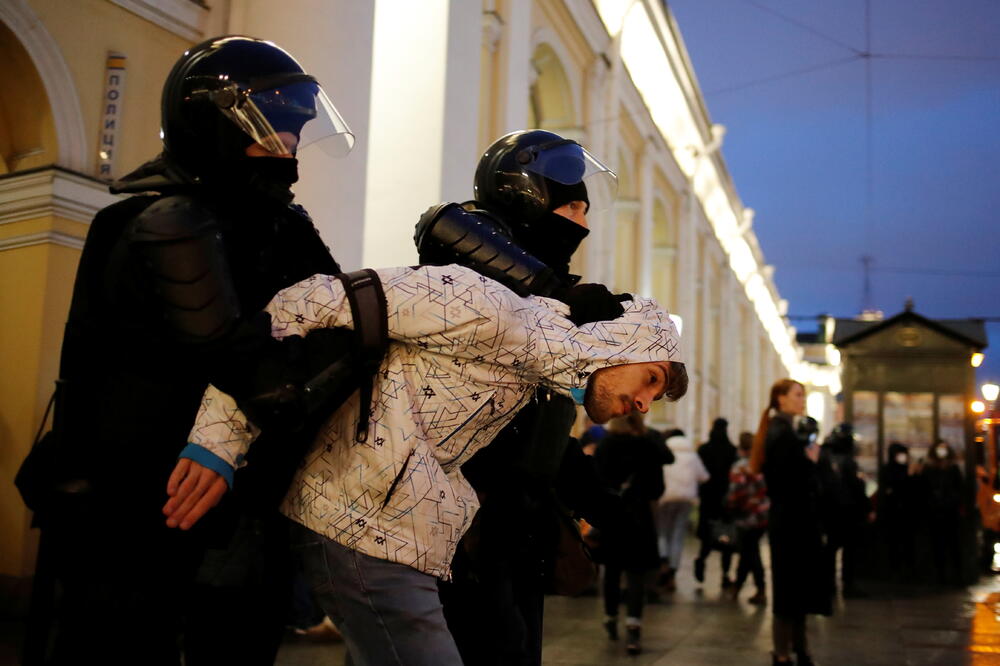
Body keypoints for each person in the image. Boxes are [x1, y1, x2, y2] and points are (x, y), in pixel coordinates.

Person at [19, 36, 356, 665]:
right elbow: (247, 362)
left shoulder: (285, 225)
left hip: (242, 507)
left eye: (291, 134)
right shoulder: (164, 219)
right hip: (137, 511)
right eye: (271, 133)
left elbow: (345, 332)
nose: (287, 152)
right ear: (212, 126)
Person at [165, 263, 688, 666]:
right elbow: (307, 301)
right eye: (651, 380)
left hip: (393, 536)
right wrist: (218, 439)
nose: (644, 404)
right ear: (625, 342)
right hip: (354, 524)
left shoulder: (533, 372)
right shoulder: (487, 308)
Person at [416, 129, 632, 666]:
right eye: (574, 208)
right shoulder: (470, 259)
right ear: (530, 198)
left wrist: (597, 498)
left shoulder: (545, 304)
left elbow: (542, 421)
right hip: (453, 524)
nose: (582, 224)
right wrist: (563, 298)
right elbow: (442, 226)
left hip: (514, 525)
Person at [750, 379, 832, 666]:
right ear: (781, 399)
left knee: (796, 586)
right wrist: (811, 461)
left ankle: (798, 648)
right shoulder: (782, 433)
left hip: (792, 519)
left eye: (804, 395)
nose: (803, 399)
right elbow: (790, 478)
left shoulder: (785, 430)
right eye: (798, 395)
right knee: (788, 588)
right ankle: (784, 652)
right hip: (791, 521)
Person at [594, 412, 666, 655]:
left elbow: (597, 480)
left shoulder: (606, 444)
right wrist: (645, 436)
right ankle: (634, 627)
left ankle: (610, 616)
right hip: (639, 517)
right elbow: (660, 479)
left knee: (612, 571)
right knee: (636, 574)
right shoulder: (646, 445)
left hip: (613, 516)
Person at [818, 423, 872, 597]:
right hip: (846, 512)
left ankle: (829, 584)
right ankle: (847, 585)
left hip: (830, 512)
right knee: (848, 550)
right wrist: (866, 507)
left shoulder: (826, 456)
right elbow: (856, 487)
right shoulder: (847, 461)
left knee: (831, 550)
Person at [656, 428, 709, 591]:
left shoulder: (664, 452)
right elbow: (704, 477)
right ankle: (672, 570)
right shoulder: (692, 456)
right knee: (678, 534)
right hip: (686, 499)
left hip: (664, 498)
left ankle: (663, 560)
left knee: (662, 532)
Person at [725, 431, 769, 605]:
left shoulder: (741, 467)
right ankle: (739, 585)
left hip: (747, 515)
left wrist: (730, 506)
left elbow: (736, 493)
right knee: (749, 552)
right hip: (761, 514)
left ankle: (759, 587)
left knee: (750, 553)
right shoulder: (761, 464)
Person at [695, 417, 739, 588]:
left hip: (708, 499)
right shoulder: (731, 450)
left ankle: (701, 560)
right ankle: (725, 574)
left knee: (707, 536)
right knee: (726, 537)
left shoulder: (704, 450)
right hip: (725, 500)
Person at [921, 440, 964, 584]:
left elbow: (960, 489)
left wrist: (953, 501)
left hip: (950, 512)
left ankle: (956, 575)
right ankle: (941, 575)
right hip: (935, 513)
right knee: (938, 545)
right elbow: (924, 489)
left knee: (954, 544)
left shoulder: (953, 469)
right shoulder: (929, 469)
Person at [877, 442, 917, 580]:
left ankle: (907, 570)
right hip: (893, 514)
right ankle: (895, 570)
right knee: (894, 544)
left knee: (907, 544)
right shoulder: (889, 470)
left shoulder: (907, 470)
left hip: (906, 514)